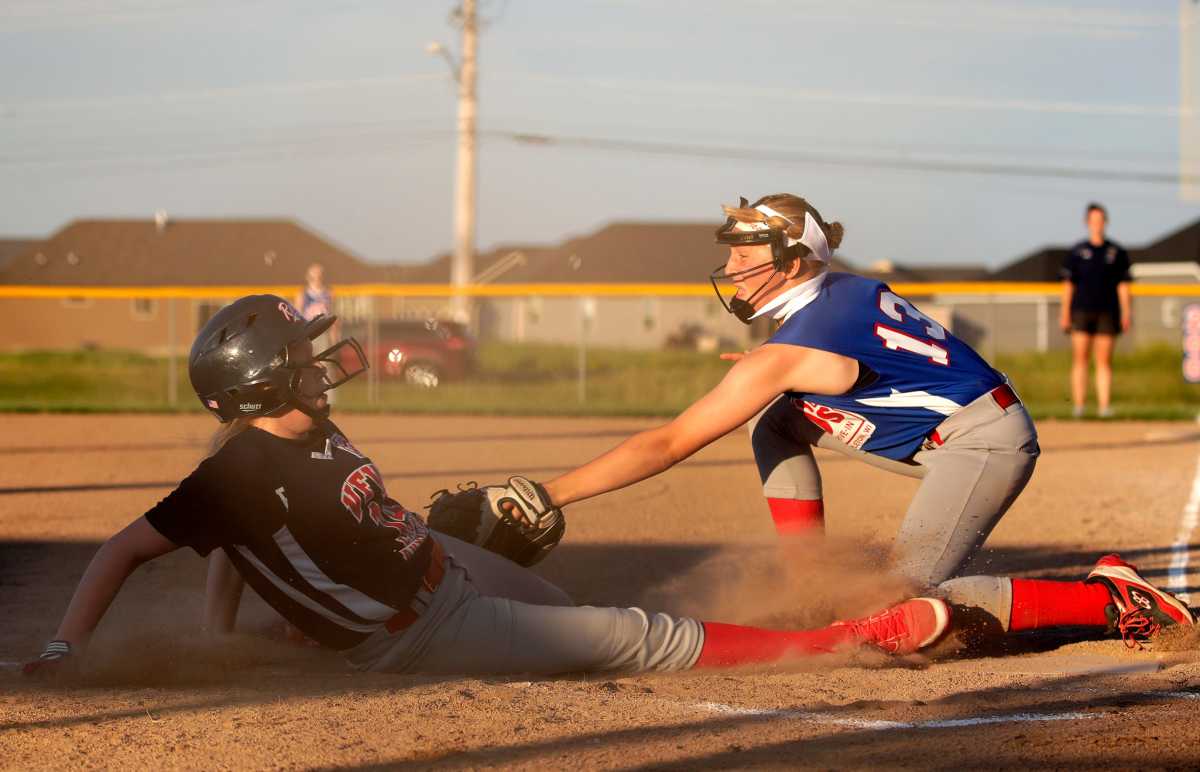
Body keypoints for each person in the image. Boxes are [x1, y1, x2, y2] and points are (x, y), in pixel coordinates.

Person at [24, 294, 960, 679]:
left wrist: (231, 636)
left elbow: (245, 547)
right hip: (420, 629)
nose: (321, 363)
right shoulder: (236, 471)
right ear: (263, 385)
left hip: (439, 569)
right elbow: (130, 549)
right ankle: (835, 640)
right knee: (632, 641)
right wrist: (68, 649)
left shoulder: (310, 425)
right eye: (300, 359)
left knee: (558, 598)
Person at [497, 193, 1189, 649]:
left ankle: (1110, 601)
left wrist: (550, 494)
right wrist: (778, 365)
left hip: (982, 441)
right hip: (947, 428)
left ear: (793, 262)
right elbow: (848, 367)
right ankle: (812, 578)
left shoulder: (803, 334)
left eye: (746, 257)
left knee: (900, 608)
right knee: (776, 419)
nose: (731, 269)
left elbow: (671, 441)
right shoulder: (831, 297)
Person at [1059, 202, 1133, 419]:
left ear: (1105, 222)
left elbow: (1123, 285)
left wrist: (1127, 312)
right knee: (1080, 358)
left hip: (1107, 312)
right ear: (1087, 223)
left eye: (1100, 220)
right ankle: (1079, 406)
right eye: (1093, 220)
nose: (1097, 224)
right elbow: (1068, 285)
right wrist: (1064, 313)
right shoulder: (1077, 252)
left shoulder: (1116, 252)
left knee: (1104, 361)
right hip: (1081, 311)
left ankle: (1104, 407)